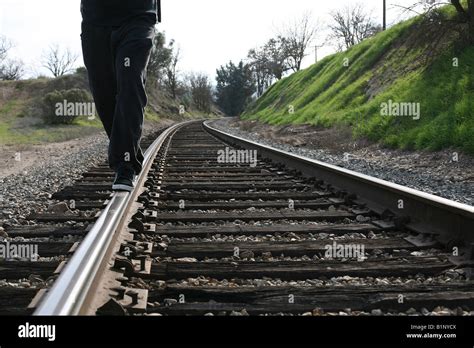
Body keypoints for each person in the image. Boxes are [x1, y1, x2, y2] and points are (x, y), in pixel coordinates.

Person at [80, 0, 161, 192]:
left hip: (139, 15)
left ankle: (125, 165)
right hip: (95, 20)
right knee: (103, 93)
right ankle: (127, 149)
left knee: (130, 79)